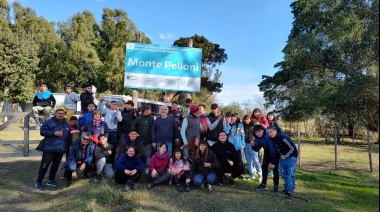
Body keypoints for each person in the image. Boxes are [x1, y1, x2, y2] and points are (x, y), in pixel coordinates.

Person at [34, 109, 71, 191]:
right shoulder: (49, 122)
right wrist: (53, 133)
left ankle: (51, 180)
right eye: (59, 113)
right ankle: (39, 181)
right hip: (50, 148)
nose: (61, 115)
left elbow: (68, 137)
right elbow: (42, 132)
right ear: (55, 114)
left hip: (60, 149)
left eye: (62, 113)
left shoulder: (66, 124)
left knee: (55, 166)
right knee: (44, 166)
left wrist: (70, 145)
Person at [267, 125, 299, 200]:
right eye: (268, 133)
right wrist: (273, 162)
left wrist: (286, 155)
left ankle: (290, 192)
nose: (269, 134)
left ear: (275, 130)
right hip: (282, 157)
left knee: (290, 174)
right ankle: (286, 189)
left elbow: (292, 148)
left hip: (291, 157)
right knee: (284, 174)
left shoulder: (283, 137)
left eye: (271, 132)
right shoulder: (273, 139)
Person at [251, 125, 280, 193]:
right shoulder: (257, 137)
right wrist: (253, 145)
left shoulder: (268, 136)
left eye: (259, 131)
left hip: (275, 153)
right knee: (264, 167)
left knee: (275, 169)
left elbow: (273, 150)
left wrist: (272, 162)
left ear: (263, 130)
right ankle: (264, 184)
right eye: (256, 132)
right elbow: (256, 149)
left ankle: (276, 187)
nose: (258, 133)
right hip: (267, 152)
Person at [131, 105, 154, 173]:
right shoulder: (139, 118)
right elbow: (133, 125)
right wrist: (136, 133)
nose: (149, 111)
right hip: (140, 140)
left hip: (149, 140)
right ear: (145, 110)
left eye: (150, 109)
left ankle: (147, 168)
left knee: (148, 154)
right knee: (140, 154)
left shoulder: (151, 118)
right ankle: (139, 167)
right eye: (148, 109)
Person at [242, 115, 262, 181]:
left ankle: (260, 175)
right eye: (245, 119)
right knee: (248, 161)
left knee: (256, 161)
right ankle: (251, 174)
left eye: (248, 119)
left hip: (253, 145)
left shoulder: (254, 125)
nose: (246, 121)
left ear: (250, 119)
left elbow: (259, 133)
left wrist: (254, 139)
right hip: (246, 145)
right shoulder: (244, 126)